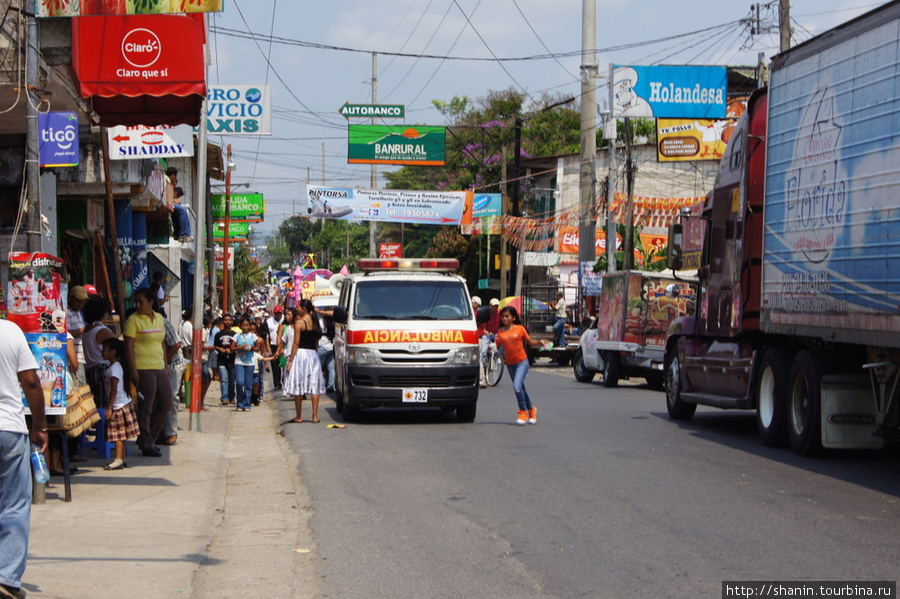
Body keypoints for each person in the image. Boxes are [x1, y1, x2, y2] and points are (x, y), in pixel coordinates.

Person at [0, 318, 47, 599]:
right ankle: (6, 577)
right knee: (15, 504)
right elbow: (30, 381)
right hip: (9, 429)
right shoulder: (10, 331)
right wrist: (40, 427)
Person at [123, 287, 174, 458]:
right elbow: (128, 346)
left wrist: (166, 365)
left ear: (151, 302)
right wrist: (133, 369)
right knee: (147, 406)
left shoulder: (159, 318)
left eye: (141, 302)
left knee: (167, 402)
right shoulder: (133, 320)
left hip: (159, 366)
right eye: (136, 302)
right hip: (143, 368)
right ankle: (147, 443)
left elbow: (163, 344)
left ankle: (148, 437)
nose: (137, 305)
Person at [496, 306, 547, 425]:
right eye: (503, 316)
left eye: (507, 316)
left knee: (517, 387)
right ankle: (532, 410)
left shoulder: (520, 329)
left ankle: (522, 412)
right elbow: (496, 346)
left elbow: (530, 342)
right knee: (521, 388)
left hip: (522, 362)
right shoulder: (500, 331)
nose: (504, 318)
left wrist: (539, 342)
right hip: (510, 364)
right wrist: (491, 348)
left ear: (513, 317)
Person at [283, 299, 325, 423]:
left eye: (299, 306)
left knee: (298, 383)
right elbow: (316, 342)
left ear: (304, 309)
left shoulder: (299, 323)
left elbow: (296, 343)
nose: (297, 308)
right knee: (314, 385)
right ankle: (315, 416)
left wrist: (290, 360)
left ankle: (299, 416)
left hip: (301, 354)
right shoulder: (316, 322)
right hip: (313, 354)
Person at [101, 338, 140, 471]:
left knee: (118, 434)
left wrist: (109, 408)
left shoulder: (115, 368)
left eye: (104, 349)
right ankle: (121, 458)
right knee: (121, 435)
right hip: (121, 403)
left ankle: (118, 459)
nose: (102, 351)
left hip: (118, 405)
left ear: (112, 352)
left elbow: (114, 390)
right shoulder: (116, 367)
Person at [82, 296, 115, 409]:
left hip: (91, 369)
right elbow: (117, 348)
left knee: (98, 402)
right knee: (105, 402)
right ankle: (104, 426)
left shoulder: (87, 330)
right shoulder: (102, 331)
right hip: (103, 370)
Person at [233, 316, 258, 412]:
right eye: (243, 325)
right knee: (239, 382)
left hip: (250, 363)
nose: (245, 327)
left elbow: (257, 347)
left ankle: (247, 404)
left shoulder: (253, 336)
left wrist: (251, 348)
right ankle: (239, 403)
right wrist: (240, 347)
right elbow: (232, 348)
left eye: (247, 325)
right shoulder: (237, 336)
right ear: (240, 326)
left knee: (248, 384)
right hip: (239, 361)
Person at [66, 285, 89, 385]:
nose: (80, 304)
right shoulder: (66, 313)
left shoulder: (79, 313)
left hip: (81, 356)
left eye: (83, 302)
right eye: (78, 301)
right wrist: (81, 330)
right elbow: (66, 334)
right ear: (71, 298)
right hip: (75, 358)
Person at [214, 314, 237, 405]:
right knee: (224, 379)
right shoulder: (218, 334)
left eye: (229, 320)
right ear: (222, 321)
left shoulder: (234, 335)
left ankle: (232, 397)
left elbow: (237, 347)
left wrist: (231, 350)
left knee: (232, 380)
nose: (227, 321)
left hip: (232, 360)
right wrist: (220, 349)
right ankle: (224, 397)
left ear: (232, 322)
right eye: (225, 320)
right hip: (221, 360)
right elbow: (215, 346)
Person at [265, 306, 284, 389]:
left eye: (280, 313)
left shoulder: (284, 320)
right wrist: (268, 349)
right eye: (277, 313)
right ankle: (277, 383)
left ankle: (285, 381)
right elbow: (267, 336)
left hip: (283, 345)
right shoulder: (269, 322)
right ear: (274, 313)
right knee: (275, 365)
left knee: (284, 364)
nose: (278, 315)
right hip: (273, 345)